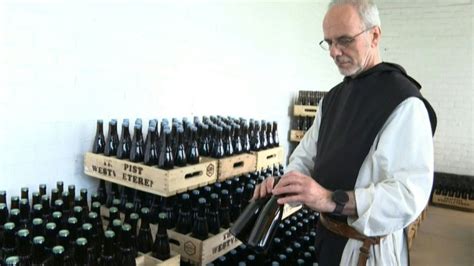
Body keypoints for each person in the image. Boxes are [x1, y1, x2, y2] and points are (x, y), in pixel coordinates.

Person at [253, 0, 437, 265]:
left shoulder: (405, 104)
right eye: (328, 42)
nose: (334, 51)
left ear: (374, 35)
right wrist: (285, 186)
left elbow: (408, 196)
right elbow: (305, 158)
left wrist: (330, 200)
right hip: (327, 238)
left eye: (344, 40)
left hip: (367, 251)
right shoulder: (332, 99)